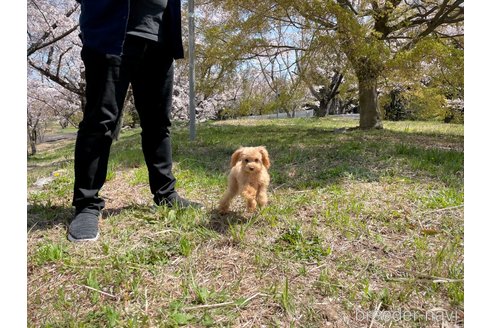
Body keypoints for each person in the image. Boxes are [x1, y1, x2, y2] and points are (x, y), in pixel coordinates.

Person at [69, 0, 202, 242]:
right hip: (109, 31)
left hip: (160, 33)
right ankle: (87, 204)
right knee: (100, 121)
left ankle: (165, 194)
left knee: (159, 123)